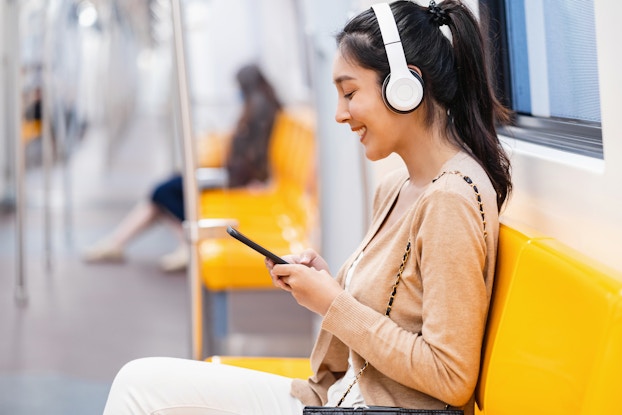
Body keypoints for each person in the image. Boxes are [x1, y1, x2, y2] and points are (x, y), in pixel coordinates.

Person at [101, 1, 512, 413]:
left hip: (370, 407)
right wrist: (330, 285)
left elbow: (451, 376)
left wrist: (333, 303)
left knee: (140, 392)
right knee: (137, 380)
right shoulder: (395, 188)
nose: (339, 114)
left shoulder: (450, 199)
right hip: (341, 397)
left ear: (405, 87)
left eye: (350, 93)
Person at [82, 63, 282, 272]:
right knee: (163, 193)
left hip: (237, 179)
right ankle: (119, 243)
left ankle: (142, 243)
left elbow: (257, 155)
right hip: (234, 175)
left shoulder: (258, 110)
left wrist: (256, 179)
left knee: (163, 192)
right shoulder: (264, 107)